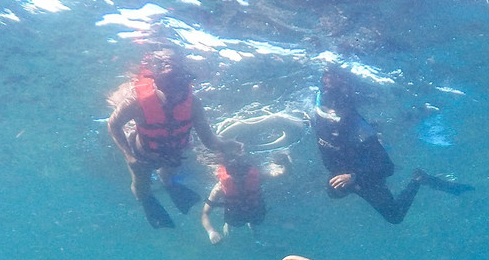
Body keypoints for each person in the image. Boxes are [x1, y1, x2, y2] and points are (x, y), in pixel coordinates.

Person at [312, 66, 472, 224]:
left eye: (337, 109)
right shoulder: (319, 108)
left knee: (394, 216)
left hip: (366, 176)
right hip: (347, 172)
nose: (333, 114)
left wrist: (354, 177)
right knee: (333, 192)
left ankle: (419, 179)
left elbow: (387, 168)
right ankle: (422, 179)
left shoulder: (360, 129)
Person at [107, 48, 229, 228]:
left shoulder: (192, 102)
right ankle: (146, 200)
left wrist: (226, 145)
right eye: (169, 91)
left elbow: (208, 139)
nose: (174, 97)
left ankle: (168, 184)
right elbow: (113, 125)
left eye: (179, 90)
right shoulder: (136, 101)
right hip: (142, 153)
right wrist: (129, 156)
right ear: (157, 85)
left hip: (174, 151)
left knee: (169, 174)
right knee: (141, 184)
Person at [201, 140, 284, 243]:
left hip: (255, 210)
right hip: (234, 215)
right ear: (229, 173)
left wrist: (286, 163)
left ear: (246, 171)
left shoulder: (257, 177)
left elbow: (282, 172)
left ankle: (252, 226)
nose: (239, 178)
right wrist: (211, 232)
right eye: (235, 174)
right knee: (235, 222)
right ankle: (228, 224)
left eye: (242, 174)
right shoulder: (219, 188)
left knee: (257, 220)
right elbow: (205, 214)